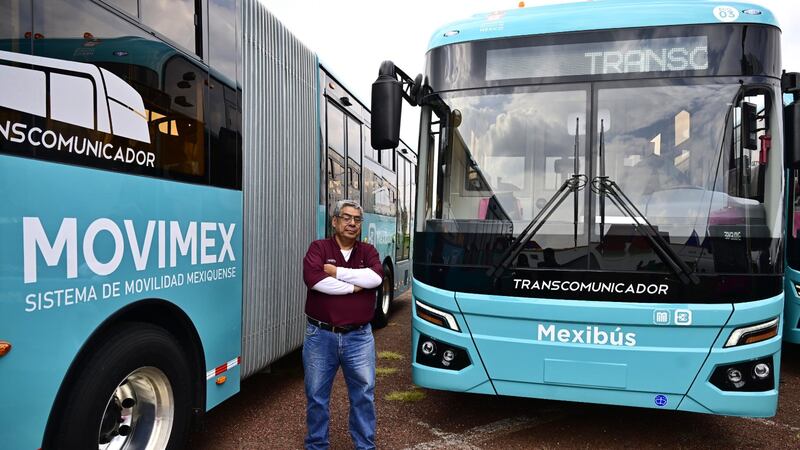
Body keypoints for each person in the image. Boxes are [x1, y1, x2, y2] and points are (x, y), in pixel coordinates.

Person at [302, 199, 383, 450]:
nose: (352, 223)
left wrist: (336, 272)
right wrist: (355, 287)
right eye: (346, 218)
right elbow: (314, 280)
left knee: (363, 395)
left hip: (359, 337)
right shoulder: (318, 248)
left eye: (357, 219)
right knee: (316, 396)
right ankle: (317, 445)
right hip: (320, 335)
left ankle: (365, 445)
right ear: (334, 221)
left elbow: (376, 277)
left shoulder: (368, 252)